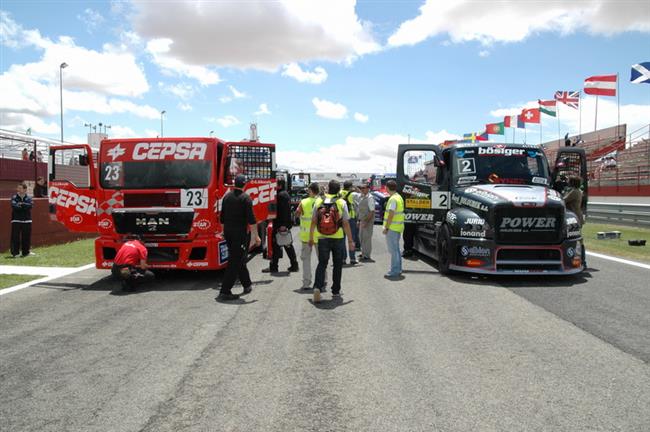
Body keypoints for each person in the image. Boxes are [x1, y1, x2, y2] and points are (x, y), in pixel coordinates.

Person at [309, 179, 355, 303]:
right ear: (339, 190)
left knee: (322, 263)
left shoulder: (319, 200)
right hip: (338, 237)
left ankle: (317, 287)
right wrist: (350, 240)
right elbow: (345, 223)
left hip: (322, 237)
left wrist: (311, 237)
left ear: (328, 188)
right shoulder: (341, 202)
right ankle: (335, 290)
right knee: (337, 264)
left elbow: (313, 221)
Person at [219, 174, 261, 301]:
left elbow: (222, 217)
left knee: (239, 258)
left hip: (228, 232)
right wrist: (256, 236)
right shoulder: (245, 199)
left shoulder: (226, 197)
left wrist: (222, 232)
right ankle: (225, 291)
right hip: (239, 234)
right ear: (244, 184)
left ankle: (247, 284)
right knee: (235, 261)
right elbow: (252, 220)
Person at [263, 178, 299, 273]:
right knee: (287, 244)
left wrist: (282, 225)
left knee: (277, 245)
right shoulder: (284, 194)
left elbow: (283, 211)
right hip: (282, 223)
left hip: (280, 224)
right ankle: (293, 265)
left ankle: (274, 266)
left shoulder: (280, 195)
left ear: (279, 185)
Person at [295, 182, 326, 290]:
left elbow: (297, 213)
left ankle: (306, 283)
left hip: (306, 236)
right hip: (320, 235)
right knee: (322, 260)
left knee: (306, 260)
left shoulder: (303, 202)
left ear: (310, 191)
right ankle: (323, 281)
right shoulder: (322, 201)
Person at [383, 180, 405, 279]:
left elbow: (391, 214)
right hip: (398, 227)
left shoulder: (392, 199)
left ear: (387, 188)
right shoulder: (398, 197)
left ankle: (394, 271)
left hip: (392, 228)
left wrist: (386, 228)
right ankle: (398, 269)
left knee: (394, 251)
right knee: (396, 250)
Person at [563, 176, 587, 267]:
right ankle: (582, 260)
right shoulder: (577, 191)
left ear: (572, 183)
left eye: (569, 181)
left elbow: (564, 200)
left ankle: (582, 261)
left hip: (574, 218)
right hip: (576, 217)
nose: (567, 182)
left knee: (577, 239)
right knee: (578, 239)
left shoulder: (574, 192)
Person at [10, 182, 33, 258]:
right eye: (18, 188)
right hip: (16, 220)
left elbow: (30, 206)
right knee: (15, 237)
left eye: (20, 188)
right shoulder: (14, 197)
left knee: (26, 237)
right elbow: (14, 206)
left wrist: (21, 204)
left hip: (27, 220)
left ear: (25, 189)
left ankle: (26, 253)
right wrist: (24, 206)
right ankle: (15, 253)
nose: (18, 189)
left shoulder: (29, 198)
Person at [340, 180, 359, 265]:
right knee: (352, 239)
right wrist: (356, 188)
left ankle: (343, 259)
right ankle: (352, 258)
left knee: (342, 239)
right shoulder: (352, 194)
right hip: (350, 218)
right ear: (350, 187)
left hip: (341, 218)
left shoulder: (339, 193)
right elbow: (362, 194)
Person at [357, 183, 375, 261]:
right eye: (361, 188)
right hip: (362, 220)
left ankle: (367, 255)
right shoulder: (362, 196)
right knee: (361, 237)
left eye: (363, 188)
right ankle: (364, 252)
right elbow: (360, 210)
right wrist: (359, 220)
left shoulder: (370, 198)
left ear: (368, 189)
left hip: (367, 221)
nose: (362, 189)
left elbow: (372, 211)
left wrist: (366, 222)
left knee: (366, 238)